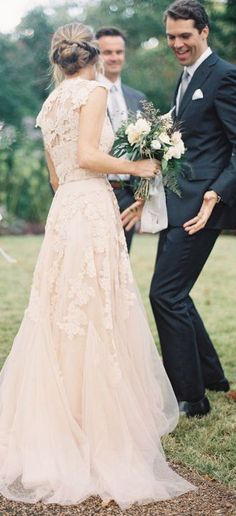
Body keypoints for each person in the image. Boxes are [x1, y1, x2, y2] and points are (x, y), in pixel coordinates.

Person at [0, 22, 194, 508]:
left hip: (65, 209)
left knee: (61, 312)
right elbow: (90, 155)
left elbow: (56, 173)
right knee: (95, 312)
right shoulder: (93, 92)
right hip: (89, 208)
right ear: (91, 59)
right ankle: (93, 427)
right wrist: (138, 168)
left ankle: (62, 419)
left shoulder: (49, 105)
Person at [122, 0, 236, 418]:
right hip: (178, 203)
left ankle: (191, 397)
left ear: (204, 32)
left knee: (164, 294)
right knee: (176, 293)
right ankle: (212, 378)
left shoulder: (223, 77)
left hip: (201, 208)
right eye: (171, 36)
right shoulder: (186, 78)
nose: (177, 44)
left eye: (185, 35)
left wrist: (215, 196)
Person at [96, 26, 146, 252]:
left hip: (128, 195)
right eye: (107, 52)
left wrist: (143, 196)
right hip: (96, 190)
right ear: (96, 55)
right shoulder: (86, 94)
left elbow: (148, 153)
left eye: (119, 52)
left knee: (122, 264)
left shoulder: (138, 98)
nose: (114, 57)